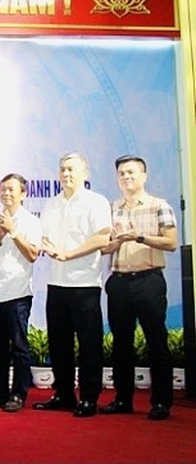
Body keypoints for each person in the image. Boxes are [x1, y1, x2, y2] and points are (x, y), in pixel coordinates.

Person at [99, 155, 176, 421]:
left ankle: (161, 402)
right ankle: (123, 399)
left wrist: (139, 237)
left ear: (144, 176)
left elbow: (171, 242)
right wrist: (114, 243)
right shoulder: (111, 209)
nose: (126, 177)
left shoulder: (159, 206)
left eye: (131, 172)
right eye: (121, 173)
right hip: (119, 282)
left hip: (149, 281)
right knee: (121, 344)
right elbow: (105, 248)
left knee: (156, 342)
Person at [33, 153, 111, 418]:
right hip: (56, 283)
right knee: (59, 344)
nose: (66, 174)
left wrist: (69, 254)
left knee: (89, 345)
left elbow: (102, 238)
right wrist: (47, 246)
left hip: (85, 283)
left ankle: (89, 397)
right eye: (62, 169)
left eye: (71, 169)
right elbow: (44, 237)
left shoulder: (96, 202)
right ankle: (64, 394)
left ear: (84, 173)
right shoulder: (51, 204)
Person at [0, 174, 42, 413]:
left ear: (23, 194)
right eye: (3, 189)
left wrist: (13, 231)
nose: (6, 194)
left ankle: (19, 393)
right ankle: (0, 392)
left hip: (18, 292)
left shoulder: (30, 221)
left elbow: (32, 254)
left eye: (11, 189)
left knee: (19, 347)